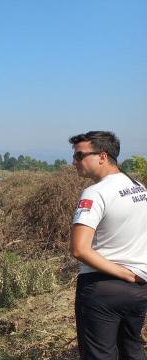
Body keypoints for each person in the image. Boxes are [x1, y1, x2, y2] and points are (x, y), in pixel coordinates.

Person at [69, 131, 147, 359]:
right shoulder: (139, 187)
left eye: (80, 156)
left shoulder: (94, 193)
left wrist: (124, 273)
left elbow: (79, 249)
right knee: (131, 350)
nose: (74, 162)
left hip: (103, 287)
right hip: (139, 288)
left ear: (102, 156)